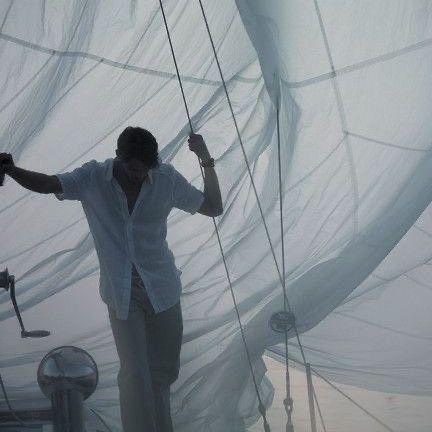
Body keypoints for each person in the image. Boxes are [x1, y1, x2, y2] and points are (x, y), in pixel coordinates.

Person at [0, 127, 223, 432]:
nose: (138, 177)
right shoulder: (92, 178)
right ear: (118, 157)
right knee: (134, 375)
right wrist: (11, 171)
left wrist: (205, 158)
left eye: (145, 171)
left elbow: (213, 207)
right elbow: (49, 183)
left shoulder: (166, 179)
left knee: (162, 376)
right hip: (123, 295)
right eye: (133, 169)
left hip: (164, 290)